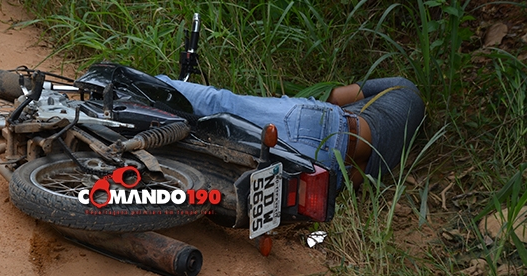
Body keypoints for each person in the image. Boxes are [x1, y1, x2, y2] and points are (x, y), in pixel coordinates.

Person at [156, 75, 425, 189]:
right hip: (329, 174)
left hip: (327, 125)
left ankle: (124, 85)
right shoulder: (394, 155)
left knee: (219, 103)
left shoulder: (403, 88)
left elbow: (333, 96)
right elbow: (356, 177)